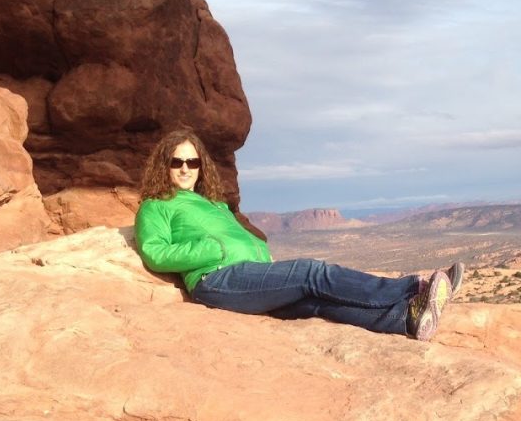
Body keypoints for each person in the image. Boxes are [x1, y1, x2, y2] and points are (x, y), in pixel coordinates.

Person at [134, 128, 463, 341]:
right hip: (217, 280)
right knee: (312, 272)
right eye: (177, 161)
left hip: (246, 276)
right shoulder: (156, 206)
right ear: (164, 165)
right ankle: (411, 289)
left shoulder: (213, 204)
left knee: (315, 302)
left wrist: (259, 254)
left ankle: (405, 319)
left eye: (193, 162)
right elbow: (155, 252)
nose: (185, 169)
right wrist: (213, 250)